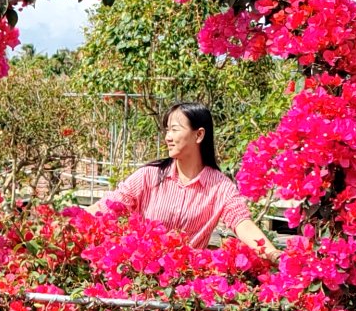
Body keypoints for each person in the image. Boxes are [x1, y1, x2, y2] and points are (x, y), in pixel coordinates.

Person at [87, 102, 282, 261]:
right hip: (141, 278)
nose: (168, 137)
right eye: (167, 130)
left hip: (184, 287)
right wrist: (64, 223)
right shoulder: (149, 176)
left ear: (199, 135)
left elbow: (242, 222)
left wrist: (274, 255)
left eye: (174, 130)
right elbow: (109, 205)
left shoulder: (220, 187)